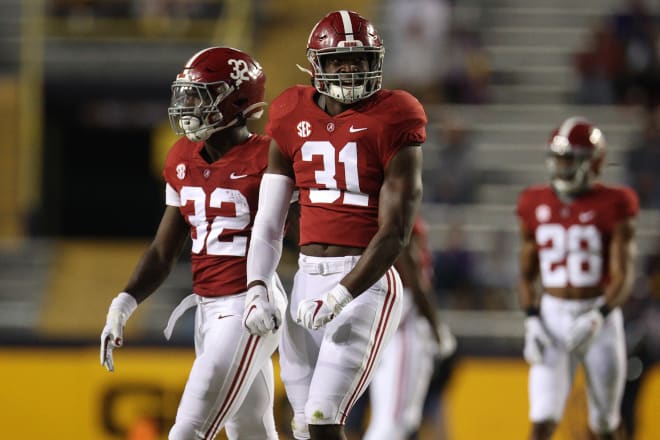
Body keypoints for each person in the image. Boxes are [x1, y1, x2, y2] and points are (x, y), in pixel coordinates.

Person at [240, 10, 427, 440]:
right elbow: (268, 221)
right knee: (303, 425)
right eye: (340, 61)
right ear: (317, 64)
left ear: (374, 60)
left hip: (366, 281)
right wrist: (255, 288)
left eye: (359, 59)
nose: (350, 69)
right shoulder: (289, 111)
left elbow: (396, 232)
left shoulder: (396, 115)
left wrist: (341, 296)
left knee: (325, 418)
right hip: (306, 278)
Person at [99, 46, 287, 440]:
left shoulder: (269, 156)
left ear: (237, 100)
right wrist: (124, 301)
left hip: (248, 304)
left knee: (186, 432)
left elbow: (295, 231)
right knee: (251, 430)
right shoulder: (182, 156)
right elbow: (164, 249)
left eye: (200, 95)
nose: (187, 105)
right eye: (184, 94)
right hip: (208, 307)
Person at [516, 117, 639, 440]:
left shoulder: (616, 203)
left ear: (592, 162)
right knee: (541, 419)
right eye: (558, 157)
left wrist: (599, 316)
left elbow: (624, 275)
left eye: (569, 158)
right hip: (552, 316)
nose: (561, 166)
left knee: (604, 424)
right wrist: (531, 319)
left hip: (598, 314)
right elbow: (526, 275)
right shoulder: (533, 201)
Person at [359, 216, 455, 440]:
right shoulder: (400, 222)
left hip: (391, 327)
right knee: (392, 421)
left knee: (401, 420)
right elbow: (415, 283)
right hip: (401, 331)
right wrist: (437, 329)